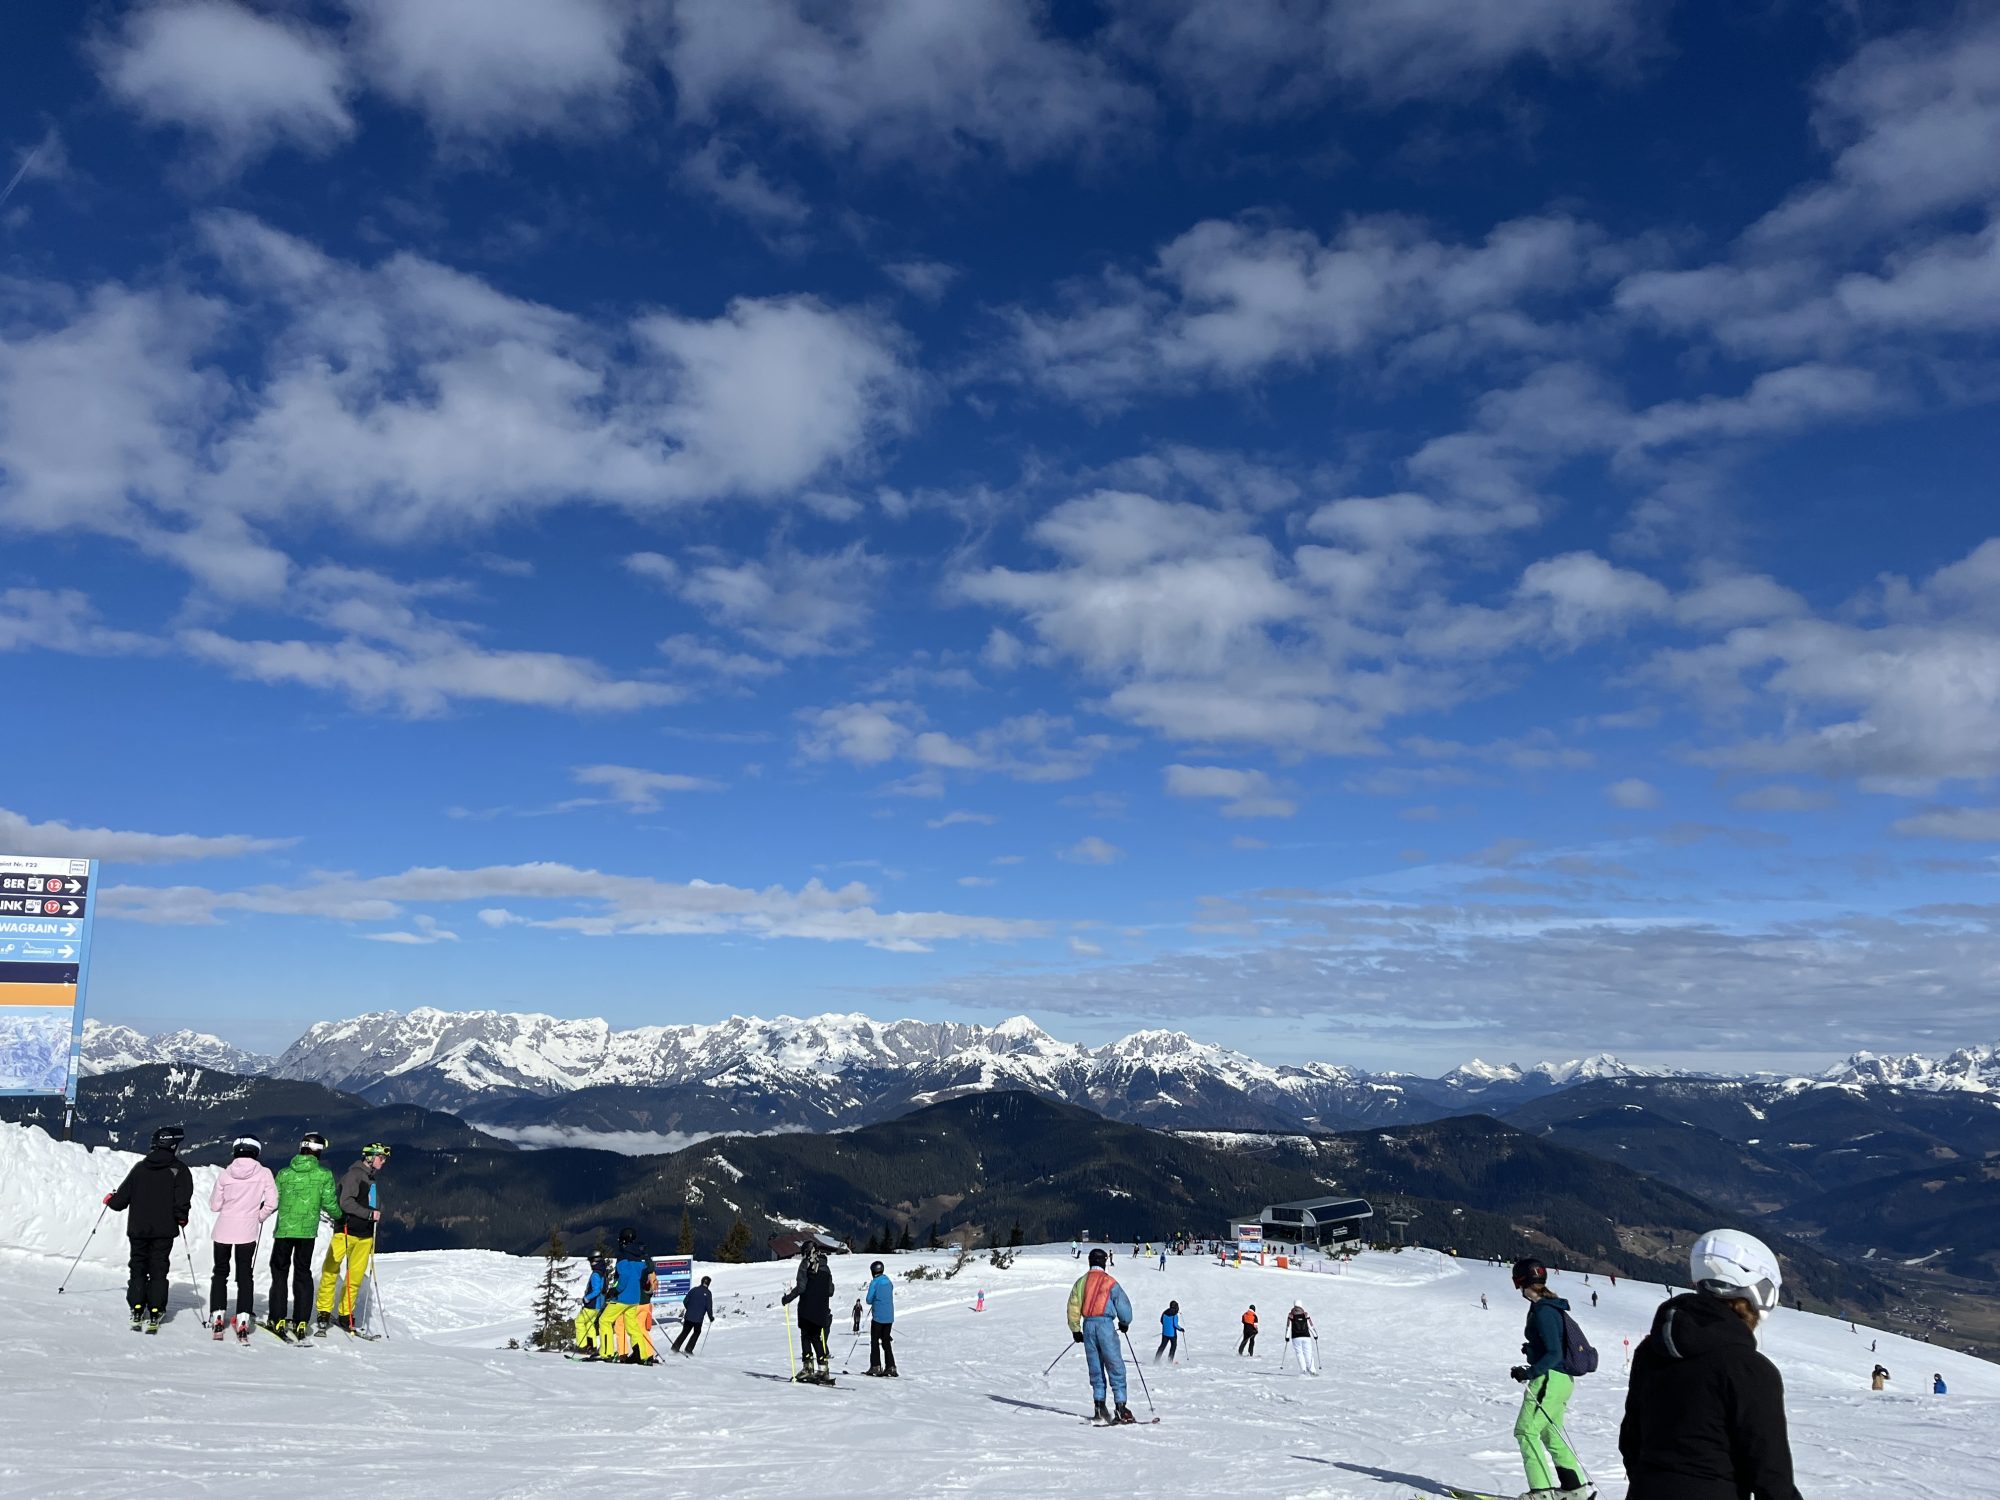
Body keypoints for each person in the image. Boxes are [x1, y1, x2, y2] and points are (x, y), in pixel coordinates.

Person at [1619, 1228, 1801, 1500]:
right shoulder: (1749, 1369)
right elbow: (1770, 1474)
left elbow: (1631, 1440)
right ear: (1758, 1291)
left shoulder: (1652, 1350)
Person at [1509, 1257, 1594, 1500]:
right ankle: (1574, 1489)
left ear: (1521, 1281)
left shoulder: (1544, 1310)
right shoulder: (1551, 1306)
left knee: (1525, 1431)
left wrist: (1529, 1372)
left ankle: (1542, 1492)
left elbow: (1554, 1353)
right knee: (1550, 1433)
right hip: (1562, 1380)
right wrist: (1532, 1350)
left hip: (1549, 1378)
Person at [105, 1124, 193, 1332]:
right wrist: (181, 1218)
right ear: (173, 1146)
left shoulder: (140, 1168)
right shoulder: (179, 1170)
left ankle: (137, 1307)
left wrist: (110, 1200)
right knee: (158, 1268)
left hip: (138, 1229)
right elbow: (182, 1200)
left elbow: (120, 1201)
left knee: (138, 1266)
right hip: (164, 1230)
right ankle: (155, 1309)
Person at [266, 1131, 339, 1340]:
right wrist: (340, 1217)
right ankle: (301, 1321)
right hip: (307, 1232)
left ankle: (277, 1318)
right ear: (319, 1151)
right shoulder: (324, 1175)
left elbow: (273, 1200)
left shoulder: (284, 1174)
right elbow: (329, 1203)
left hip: (284, 1231)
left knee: (279, 1272)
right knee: (303, 1273)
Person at [207, 1135, 276, 1340]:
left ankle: (218, 1315)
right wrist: (259, 1216)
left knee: (220, 1272)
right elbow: (272, 1202)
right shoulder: (264, 1173)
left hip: (223, 1230)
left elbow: (214, 1206)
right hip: (247, 1231)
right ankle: (243, 1318)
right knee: (245, 1275)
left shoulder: (226, 1173)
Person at [315, 1142, 388, 1335]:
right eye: (381, 1158)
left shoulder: (371, 1179)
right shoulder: (354, 1175)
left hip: (364, 1235)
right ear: (370, 1157)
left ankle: (345, 1313)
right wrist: (369, 1215)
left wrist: (374, 1214)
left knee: (354, 1277)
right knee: (331, 1270)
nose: (383, 1161)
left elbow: (373, 1204)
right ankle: (323, 1311)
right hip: (346, 1232)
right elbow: (345, 1202)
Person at [1067, 1246, 1135, 1424]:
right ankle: (1120, 1406)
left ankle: (1099, 1406)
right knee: (1114, 1365)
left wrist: (1076, 1330)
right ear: (1104, 1262)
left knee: (1095, 1366)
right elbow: (1123, 1305)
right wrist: (1124, 1322)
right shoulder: (1110, 1282)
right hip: (1105, 1326)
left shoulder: (1081, 1282)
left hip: (1088, 1326)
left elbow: (1073, 1306)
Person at [783, 1242, 836, 1383]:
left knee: (806, 1335)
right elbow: (830, 1291)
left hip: (807, 1307)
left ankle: (808, 1368)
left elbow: (801, 1288)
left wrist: (787, 1298)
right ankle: (823, 1369)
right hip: (822, 1309)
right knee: (816, 1337)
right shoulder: (826, 1268)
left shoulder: (805, 1264)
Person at [606, 1227, 658, 1364]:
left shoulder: (627, 1257)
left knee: (620, 1325)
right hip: (644, 1300)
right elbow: (653, 1282)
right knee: (639, 1328)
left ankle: (623, 1353)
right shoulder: (645, 1260)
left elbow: (623, 1277)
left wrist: (615, 1290)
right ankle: (647, 1354)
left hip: (630, 1298)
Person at [574, 1253, 614, 1359]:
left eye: (591, 1262)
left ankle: (582, 1346)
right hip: (598, 1304)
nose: (590, 1264)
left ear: (594, 1262)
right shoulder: (602, 1272)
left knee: (579, 1322)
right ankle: (592, 1346)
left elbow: (596, 1290)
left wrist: (585, 1299)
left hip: (592, 1304)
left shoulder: (596, 1274)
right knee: (589, 1324)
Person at [863, 1259, 897, 1376]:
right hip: (889, 1317)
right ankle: (891, 1366)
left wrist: (874, 1300)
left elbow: (868, 1299)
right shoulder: (888, 1281)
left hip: (878, 1317)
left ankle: (876, 1366)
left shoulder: (875, 1282)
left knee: (875, 1341)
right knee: (886, 1341)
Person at [672, 1274, 713, 1356]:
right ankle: (688, 1349)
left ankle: (674, 1348)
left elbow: (685, 1301)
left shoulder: (694, 1290)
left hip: (688, 1316)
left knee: (685, 1332)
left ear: (701, 1281)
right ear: (709, 1283)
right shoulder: (708, 1293)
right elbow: (709, 1307)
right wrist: (710, 1317)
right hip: (698, 1319)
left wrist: (689, 1309)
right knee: (697, 1332)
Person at [1286, 1303, 1318, 1375]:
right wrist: (1315, 1335)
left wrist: (1287, 1337)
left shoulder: (1291, 1315)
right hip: (1306, 1336)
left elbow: (1288, 1327)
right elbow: (1310, 1326)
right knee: (1308, 1353)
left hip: (1295, 1337)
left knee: (1299, 1353)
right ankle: (1312, 1370)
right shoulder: (1305, 1314)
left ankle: (1303, 1370)